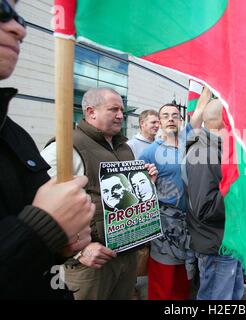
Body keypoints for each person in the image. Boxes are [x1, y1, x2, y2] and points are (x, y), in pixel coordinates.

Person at [0, 0, 94, 299]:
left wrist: (61, 240)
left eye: (18, 12)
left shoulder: (10, 131)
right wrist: (44, 226)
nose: (19, 28)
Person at [41, 87, 158, 300]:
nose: (121, 115)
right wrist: (78, 250)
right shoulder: (66, 148)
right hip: (90, 268)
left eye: (122, 110)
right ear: (91, 112)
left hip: (125, 257)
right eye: (113, 109)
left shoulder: (124, 147)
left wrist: (146, 183)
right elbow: (37, 205)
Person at [140, 87, 211, 299]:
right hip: (165, 221)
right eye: (165, 116)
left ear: (180, 120)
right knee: (163, 274)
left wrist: (207, 83)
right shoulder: (150, 152)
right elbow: (139, 189)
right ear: (159, 122)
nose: (170, 119)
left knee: (184, 275)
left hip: (189, 220)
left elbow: (200, 109)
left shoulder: (188, 139)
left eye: (174, 115)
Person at [184, 99, 244, 300]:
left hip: (225, 242)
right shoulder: (204, 153)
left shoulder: (218, 149)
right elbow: (206, 208)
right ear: (223, 121)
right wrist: (238, 189)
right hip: (216, 247)